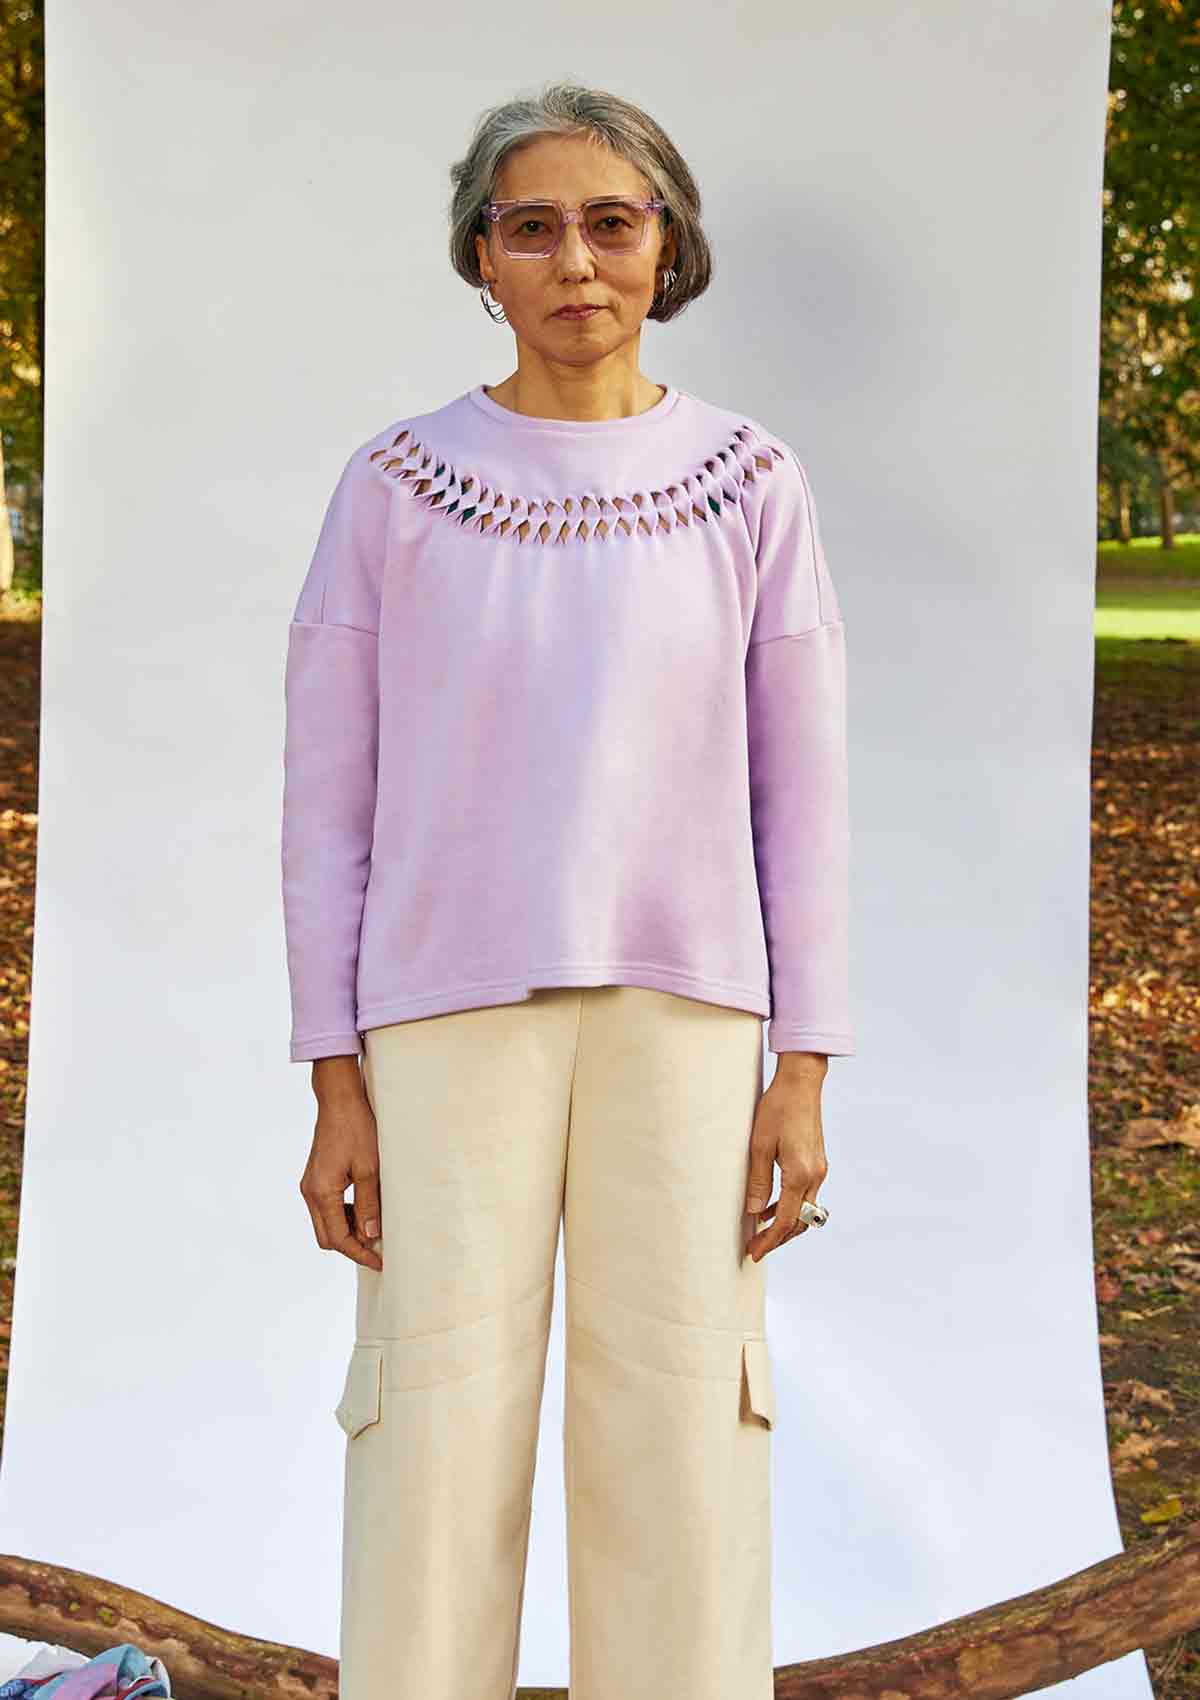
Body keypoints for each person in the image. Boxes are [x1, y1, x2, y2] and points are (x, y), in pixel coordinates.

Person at [282, 78, 854, 1700]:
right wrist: (335, 1079)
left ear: (669, 247)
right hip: (441, 1025)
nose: (577, 261)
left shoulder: (749, 484)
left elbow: (800, 793)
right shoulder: (397, 487)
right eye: (532, 226)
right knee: (429, 1431)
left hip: (690, 1026)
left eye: (613, 222)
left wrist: (800, 1067)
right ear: (481, 256)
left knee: (681, 1433)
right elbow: (327, 810)